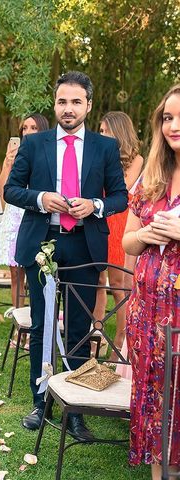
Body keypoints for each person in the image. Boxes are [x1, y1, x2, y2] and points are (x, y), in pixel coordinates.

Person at [4, 71, 128, 441]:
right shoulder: (34, 144)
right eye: (62, 101)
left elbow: (120, 196)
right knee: (42, 326)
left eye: (76, 102)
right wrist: (41, 199)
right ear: (54, 104)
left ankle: (75, 409)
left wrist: (95, 205)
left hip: (84, 247)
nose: (68, 109)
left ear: (88, 105)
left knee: (78, 329)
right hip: (43, 243)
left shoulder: (104, 149)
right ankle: (40, 402)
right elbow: (12, 189)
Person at [123, 84, 180, 479]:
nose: (173, 126)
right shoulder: (153, 178)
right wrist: (146, 236)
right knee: (155, 402)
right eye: (167, 117)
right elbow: (127, 241)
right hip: (147, 316)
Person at [92, 112, 143, 362]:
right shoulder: (97, 155)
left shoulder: (136, 160)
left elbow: (121, 187)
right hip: (99, 219)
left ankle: (122, 338)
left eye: (105, 131)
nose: (100, 135)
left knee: (119, 284)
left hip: (121, 221)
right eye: (99, 131)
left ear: (118, 132)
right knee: (97, 280)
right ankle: (96, 335)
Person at [0, 113, 49, 309]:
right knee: (16, 274)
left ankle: (38, 319)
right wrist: (8, 164)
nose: (28, 132)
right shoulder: (14, 157)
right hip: (13, 218)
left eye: (33, 128)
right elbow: (2, 192)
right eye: (24, 128)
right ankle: (19, 322)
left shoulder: (48, 155)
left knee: (38, 275)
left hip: (35, 216)